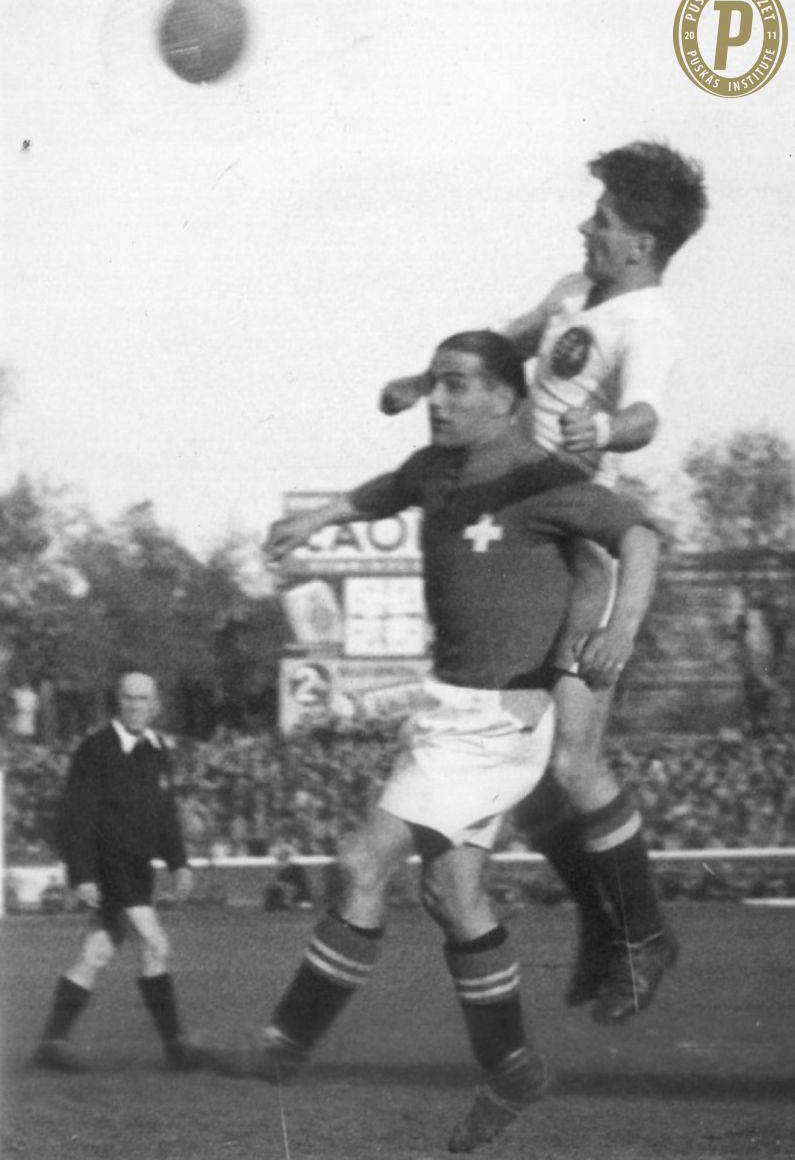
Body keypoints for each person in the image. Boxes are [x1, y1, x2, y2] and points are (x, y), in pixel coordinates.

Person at [194, 330, 660, 1153]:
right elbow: (384, 492)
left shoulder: (541, 476)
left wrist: (619, 627)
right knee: (452, 895)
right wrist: (317, 519)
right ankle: (511, 1068)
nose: (436, 400)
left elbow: (638, 537)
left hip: (500, 718)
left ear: (505, 400)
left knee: (360, 863)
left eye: (455, 385)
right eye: (434, 383)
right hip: (447, 714)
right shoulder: (434, 469)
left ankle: (284, 1047)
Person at [380, 141, 708, 1022]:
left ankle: (642, 933)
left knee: (570, 760)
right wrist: (422, 381)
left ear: (639, 242)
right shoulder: (574, 294)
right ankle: (604, 926)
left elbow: (644, 414)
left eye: (601, 220)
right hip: (529, 554)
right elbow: (510, 344)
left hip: (579, 555)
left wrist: (605, 430)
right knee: (528, 786)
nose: (584, 228)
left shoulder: (649, 323)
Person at [34, 671, 196, 1072]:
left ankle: (51, 1043)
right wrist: (83, 874)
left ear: (155, 704)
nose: (136, 706)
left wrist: (178, 862)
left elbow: (164, 813)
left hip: (138, 869)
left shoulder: (157, 748)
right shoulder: (96, 749)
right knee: (155, 944)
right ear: (117, 701)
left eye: (143, 699)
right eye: (129, 698)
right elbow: (75, 816)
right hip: (110, 867)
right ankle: (177, 1047)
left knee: (96, 953)